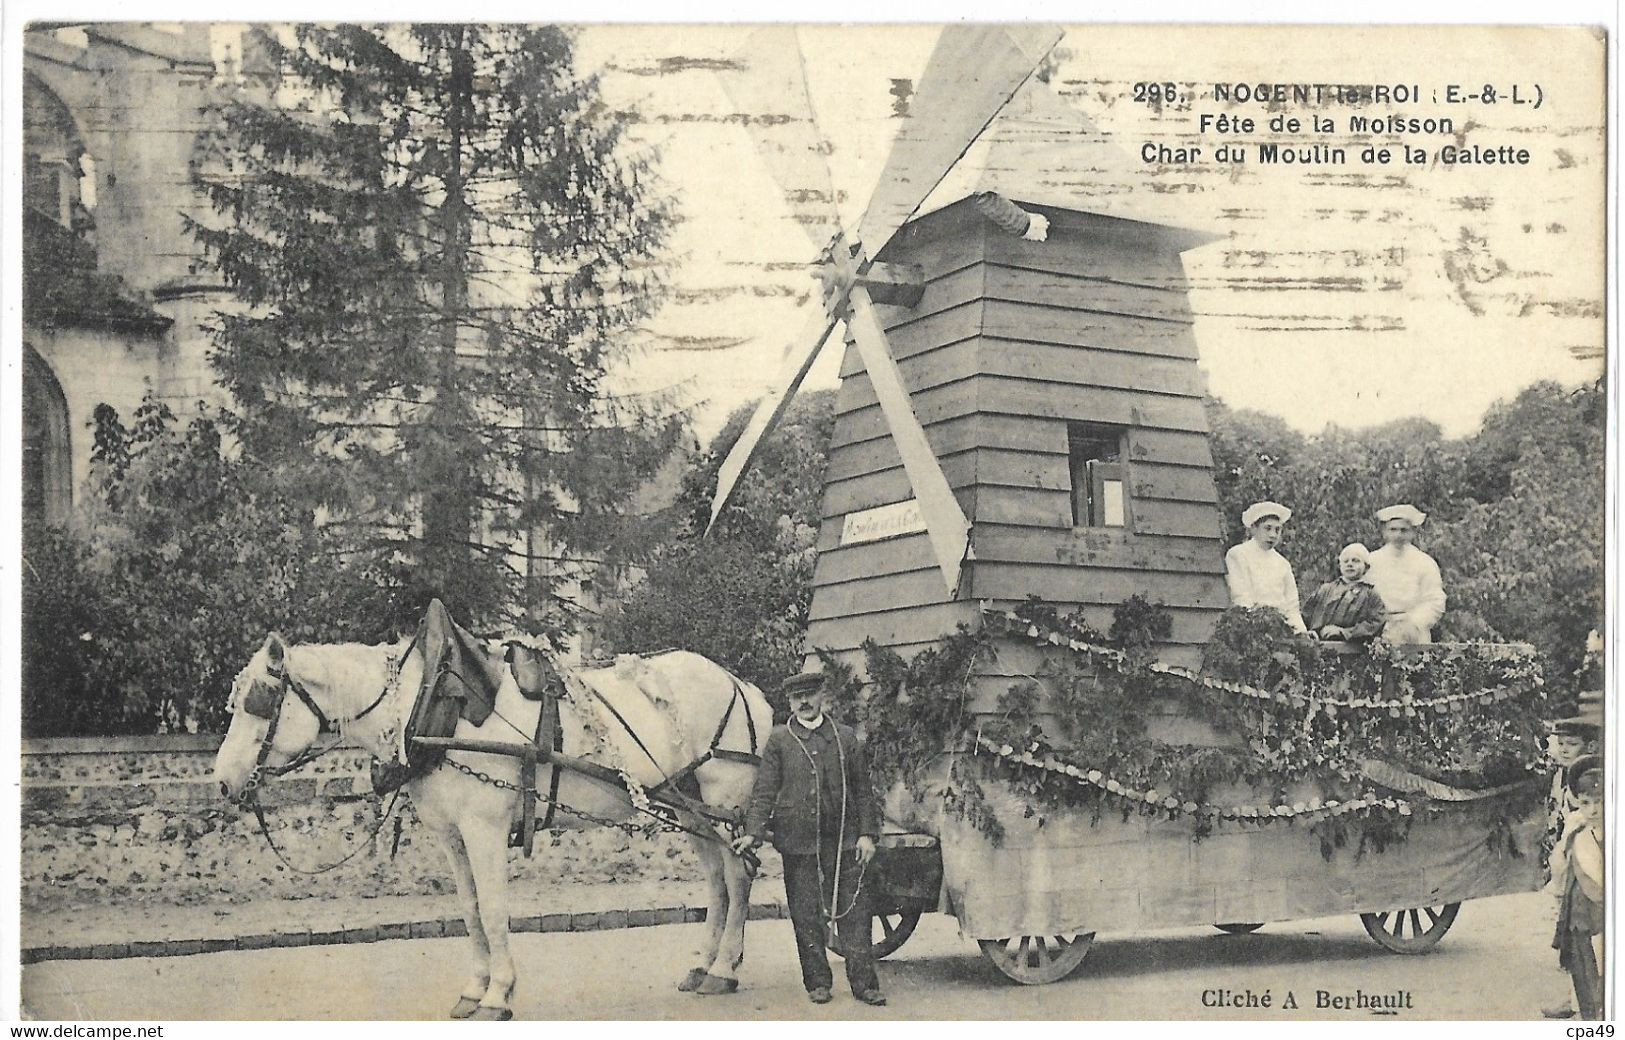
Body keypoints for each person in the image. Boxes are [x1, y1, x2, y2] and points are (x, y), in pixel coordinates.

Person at [733, 672, 886, 1007]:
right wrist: (753, 833)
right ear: (789, 702)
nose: (804, 702)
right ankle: (817, 982)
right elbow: (764, 793)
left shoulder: (844, 738)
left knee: (856, 915)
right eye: (796, 698)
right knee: (805, 915)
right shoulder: (780, 740)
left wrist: (867, 835)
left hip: (845, 841)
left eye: (810, 695)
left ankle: (864, 984)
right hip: (799, 843)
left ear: (821, 696)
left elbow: (863, 791)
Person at [1549, 755, 1604, 1020]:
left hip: (1603, 912)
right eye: (1586, 803)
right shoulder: (1576, 829)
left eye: (1600, 802)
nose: (1593, 810)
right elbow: (1560, 865)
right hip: (1579, 912)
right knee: (1583, 968)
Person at [1364, 504, 1446, 643]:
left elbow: (1435, 600)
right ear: (1385, 532)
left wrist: (1413, 623)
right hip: (1377, 631)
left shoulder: (1425, 562)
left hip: (1413, 634)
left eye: (1404, 530)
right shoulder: (1371, 560)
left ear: (1413, 532)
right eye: (1393, 529)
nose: (1398, 535)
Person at [1224, 501, 1307, 633]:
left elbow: (1292, 606)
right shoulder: (1238, 554)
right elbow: (1240, 598)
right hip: (1250, 628)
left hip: (1281, 630)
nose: (1273, 535)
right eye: (1267, 528)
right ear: (1254, 529)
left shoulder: (1282, 563)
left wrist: (1301, 633)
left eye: (1277, 529)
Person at [1301, 543, 1388, 644]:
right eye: (1345, 561)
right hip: (1321, 644)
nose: (1350, 564)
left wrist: (1344, 632)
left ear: (1366, 567)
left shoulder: (1371, 594)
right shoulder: (1326, 590)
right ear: (1340, 566)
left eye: (1356, 561)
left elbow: (1375, 622)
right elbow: (1306, 614)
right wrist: (1308, 632)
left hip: (1353, 648)